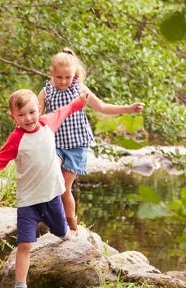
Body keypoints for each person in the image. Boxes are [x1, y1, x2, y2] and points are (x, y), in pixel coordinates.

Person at [0, 89, 89, 288]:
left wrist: (80, 101)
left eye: (32, 112)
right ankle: (20, 284)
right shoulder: (16, 139)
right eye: (21, 114)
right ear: (13, 117)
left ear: (39, 110)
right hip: (29, 202)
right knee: (25, 244)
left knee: (61, 233)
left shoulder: (48, 123)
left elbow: (65, 110)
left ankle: (68, 232)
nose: (28, 118)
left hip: (52, 196)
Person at [37, 48, 144, 235]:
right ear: (51, 73)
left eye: (67, 77)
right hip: (54, 144)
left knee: (64, 187)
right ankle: (50, 218)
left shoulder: (80, 89)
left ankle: (71, 226)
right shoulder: (45, 92)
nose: (63, 81)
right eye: (59, 77)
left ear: (75, 74)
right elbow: (36, 115)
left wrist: (128, 108)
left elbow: (102, 107)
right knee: (53, 180)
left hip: (76, 146)